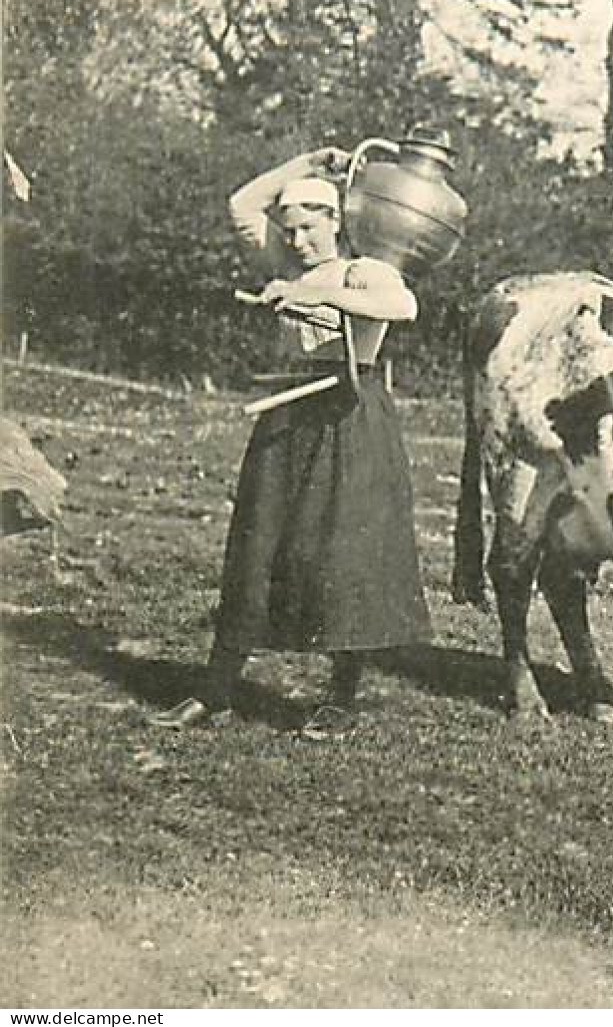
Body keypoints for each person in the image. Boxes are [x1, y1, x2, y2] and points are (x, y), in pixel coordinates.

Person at [149, 148, 432, 738]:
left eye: (310, 228)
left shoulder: (364, 269)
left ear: (337, 223)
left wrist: (319, 297)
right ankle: (216, 690)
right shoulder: (291, 264)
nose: (299, 241)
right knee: (255, 547)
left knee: (343, 555)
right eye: (292, 230)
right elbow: (239, 204)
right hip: (287, 415)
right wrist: (308, 162)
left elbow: (402, 306)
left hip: (349, 417)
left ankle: (341, 697)